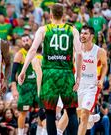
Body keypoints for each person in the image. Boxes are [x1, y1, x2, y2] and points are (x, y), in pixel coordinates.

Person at [18, 3, 83, 135]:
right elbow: (80, 53)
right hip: (66, 74)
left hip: (49, 75)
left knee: (50, 112)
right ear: (63, 15)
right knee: (71, 111)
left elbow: (32, 50)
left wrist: (23, 70)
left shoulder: (44, 29)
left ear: (51, 15)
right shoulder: (73, 30)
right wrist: (78, 77)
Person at [77, 25, 108, 135]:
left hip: (91, 86)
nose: (82, 35)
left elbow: (105, 65)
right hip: (78, 84)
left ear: (91, 36)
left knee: (84, 114)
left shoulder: (99, 51)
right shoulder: (76, 48)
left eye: (85, 33)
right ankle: (90, 119)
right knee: (77, 114)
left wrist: (102, 79)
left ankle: (89, 118)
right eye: (81, 33)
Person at [10, 34, 42, 135]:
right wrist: (14, 88)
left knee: (42, 111)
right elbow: (13, 73)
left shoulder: (38, 54)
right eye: (23, 41)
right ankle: (20, 133)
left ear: (31, 41)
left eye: (27, 40)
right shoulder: (20, 54)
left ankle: (40, 133)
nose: (25, 42)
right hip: (25, 87)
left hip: (37, 86)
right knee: (23, 112)